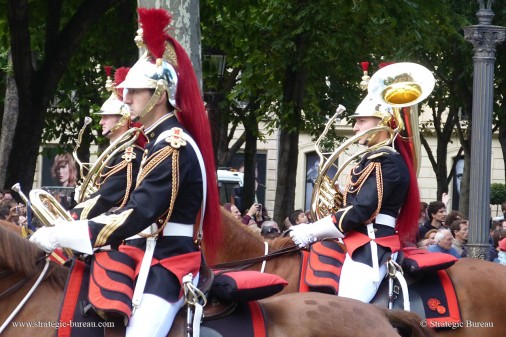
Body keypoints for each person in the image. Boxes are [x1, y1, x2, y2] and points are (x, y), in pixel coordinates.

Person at [30, 8, 221, 337]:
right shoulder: (157, 142)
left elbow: (138, 213)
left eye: (135, 91)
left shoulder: (172, 146)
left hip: (170, 265)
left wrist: (63, 233)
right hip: (146, 255)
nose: (126, 97)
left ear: (159, 95)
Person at [290, 93, 421, 303]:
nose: (355, 128)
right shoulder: (371, 160)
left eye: (361, 121)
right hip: (354, 239)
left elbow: (362, 210)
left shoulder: (386, 162)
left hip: (372, 243)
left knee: (347, 308)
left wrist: (311, 230)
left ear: (384, 121)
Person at [71, 66, 145, 220]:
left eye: (107, 117)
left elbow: (106, 197)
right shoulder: (114, 155)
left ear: (123, 119)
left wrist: (73, 216)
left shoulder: (128, 157)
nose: (101, 122)